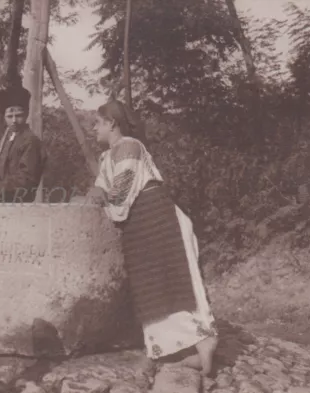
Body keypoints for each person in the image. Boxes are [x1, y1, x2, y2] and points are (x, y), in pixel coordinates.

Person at [86, 99, 219, 376]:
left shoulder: (130, 148)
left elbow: (121, 192)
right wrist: (95, 192)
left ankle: (204, 341)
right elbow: (101, 187)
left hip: (158, 219)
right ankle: (189, 350)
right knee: (153, 286)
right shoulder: (108, 156)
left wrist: (101, 195)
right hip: (141, 223)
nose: (93, 128)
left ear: (112, 123)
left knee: (174, 280)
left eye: (97, 123)